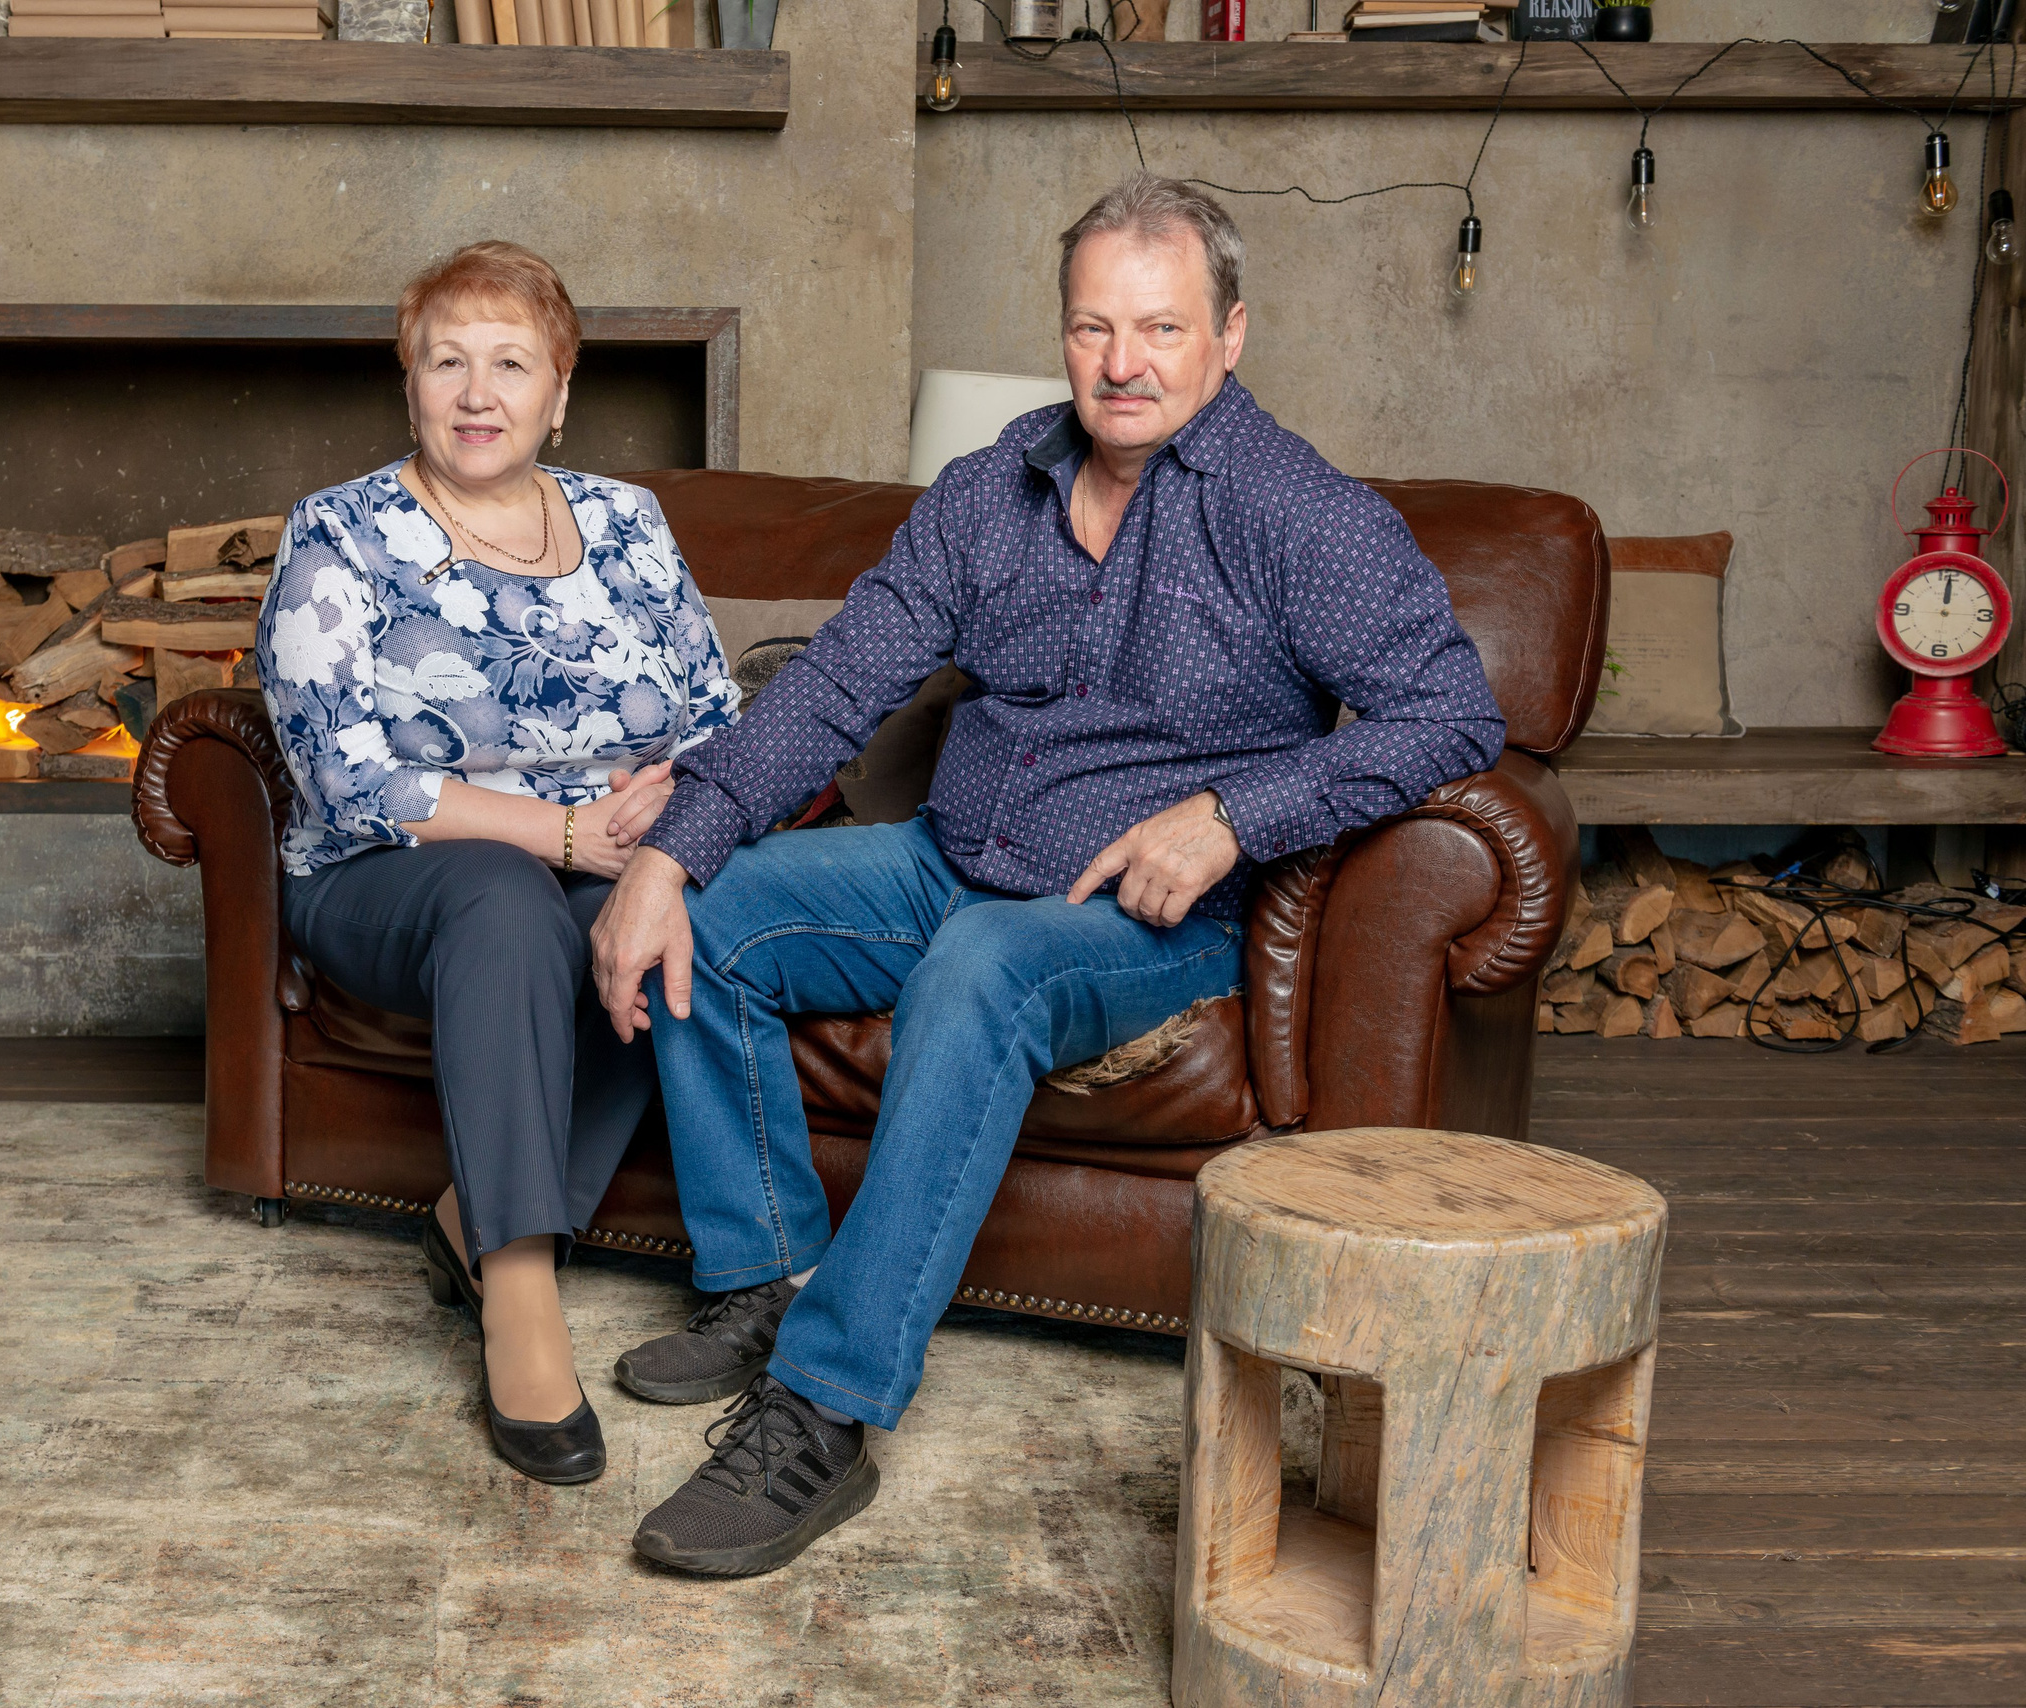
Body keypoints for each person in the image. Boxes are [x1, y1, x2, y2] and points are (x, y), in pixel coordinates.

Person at [588, 175, 1508, 1575]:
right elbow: (838, 688)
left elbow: (1453, 714)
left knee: (983, 966)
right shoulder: (990, 492)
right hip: (944, 860)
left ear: (1231, 335)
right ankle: (764, 1275)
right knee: (711, 909)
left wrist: (1233, 811)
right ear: (1063, 334)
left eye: (1160, 327)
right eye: (1093, 327)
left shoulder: (1297, 515)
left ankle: (823, 1412)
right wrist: (667, 850)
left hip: (1137, 919)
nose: (1122, 363)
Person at [255, 240, 737, 1485]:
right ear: (409, 385)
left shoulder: (629, 524)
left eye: (510, 364)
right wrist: (560, 831)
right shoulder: (341, 533)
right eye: (447, 362)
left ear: (559, 393)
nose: (478, 393)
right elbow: (344, 773)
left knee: (683, 909)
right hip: (389, 874)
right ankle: (520, 1294)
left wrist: (661, 835)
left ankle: (474, 1217)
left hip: (599, 854)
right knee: (509, 898)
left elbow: (718, 713)